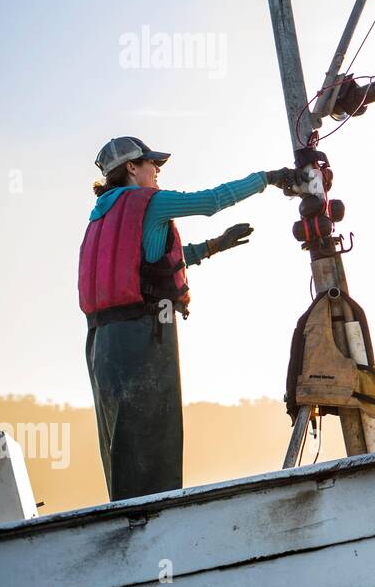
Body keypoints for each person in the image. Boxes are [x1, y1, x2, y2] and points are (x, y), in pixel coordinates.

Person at [78, 135, 302, 501]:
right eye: (152, 164)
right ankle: (156, 521)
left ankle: (127, 522)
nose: (158, 171)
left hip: (100, 343)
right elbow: (212, 201)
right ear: (132, 168)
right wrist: (270, 177)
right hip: (143, 333)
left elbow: (151, 267)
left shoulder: (101, 215)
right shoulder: (149, 202)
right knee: (154, 436)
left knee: (122, 442)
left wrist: (215, 246)